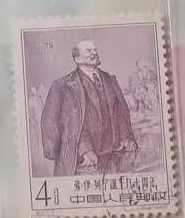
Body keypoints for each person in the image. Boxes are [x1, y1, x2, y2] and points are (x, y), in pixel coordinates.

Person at [38, 38, 138, 178]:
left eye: (95, 50)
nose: (94, 53)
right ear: (77, 59)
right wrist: (78, 151)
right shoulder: (62, 86)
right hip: (82, 163)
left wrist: (126, 137)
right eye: (89, 51)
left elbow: (121, 113)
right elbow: (50, 121)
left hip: (113, 158)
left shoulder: (110, 80)